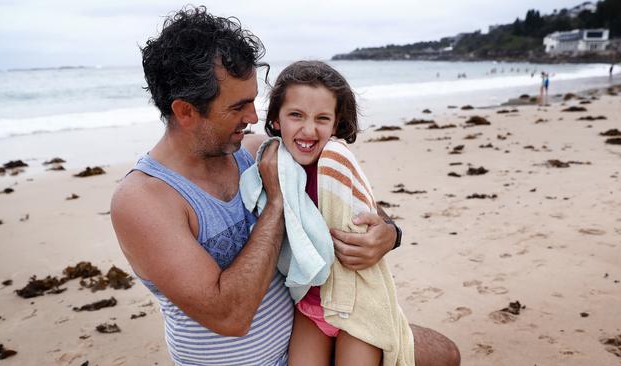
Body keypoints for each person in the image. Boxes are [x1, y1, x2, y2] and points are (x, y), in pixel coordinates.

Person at [110, 6, 460, 366]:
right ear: (185, 111)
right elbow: (230, 315)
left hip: (310, 333)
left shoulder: (252, 151)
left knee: (445, 353)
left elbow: (338, 193)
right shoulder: (144, 200)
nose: (253, 117)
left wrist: (388, 233)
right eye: (239, 106)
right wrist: (277, 203)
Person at [244, 60, 414, 365]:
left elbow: (368, 210)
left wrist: (392, 232)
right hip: (309, 305)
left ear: (336, 124)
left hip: (357, 303)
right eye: (296, 115)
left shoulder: (337, 164)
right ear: (276, 119)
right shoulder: (274, 161)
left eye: (322, 118)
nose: (308, 130)